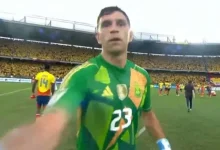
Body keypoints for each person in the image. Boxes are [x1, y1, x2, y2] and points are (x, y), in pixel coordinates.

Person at [0, 6, 171, 150]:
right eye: (106, 24)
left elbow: (147, 114)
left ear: (130, 35)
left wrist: (164, 143)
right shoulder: (82, 75)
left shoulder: (142, 76)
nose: (113, 28)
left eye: (121, 23)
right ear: (98, 37)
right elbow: (55, 118)